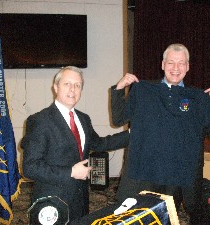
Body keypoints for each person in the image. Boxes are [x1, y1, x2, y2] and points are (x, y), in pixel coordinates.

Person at [110, 44, 210, 224]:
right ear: (162, 64)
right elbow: (119, 119)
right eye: (171, 63)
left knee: (165, 219)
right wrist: (119, 89)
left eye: (181, 63)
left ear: (188, 66)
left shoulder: (197, 98)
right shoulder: (143, 91)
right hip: (145, 173)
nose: (176, 68)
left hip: (175, 177)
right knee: (140, 219)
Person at [21, 66, 129, 223]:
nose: (73, 89)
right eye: (67, 84)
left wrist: (133, 134)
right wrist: (70, 172)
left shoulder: (84, 119)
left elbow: (100, 143)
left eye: (77, 85)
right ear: (56, 87)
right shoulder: (40, 121)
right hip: (51, 205)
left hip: (80, 202)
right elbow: (30, 168)